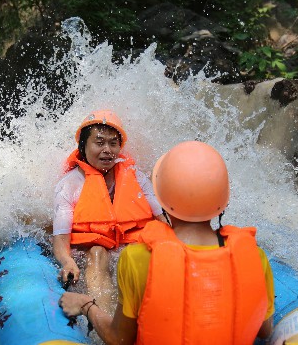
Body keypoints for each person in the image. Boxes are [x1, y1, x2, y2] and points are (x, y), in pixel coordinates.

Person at [59, 140, 275, 344]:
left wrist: (86, 305)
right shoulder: (255, 257)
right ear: (223, 200)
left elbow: (119, 339)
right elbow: (264, 330)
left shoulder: (137, 258)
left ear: (161, 199)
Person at [52, 109, 165, 314]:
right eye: (99, 142)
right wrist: (67, 262)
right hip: (90, 254)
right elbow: (60, 241)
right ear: (83, 146)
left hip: (127, 250)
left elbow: (162, 217)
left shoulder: (134, 176)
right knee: (97, 253)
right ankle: (104, 322)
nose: (107, 150)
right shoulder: (69, 186)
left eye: (113, 143)